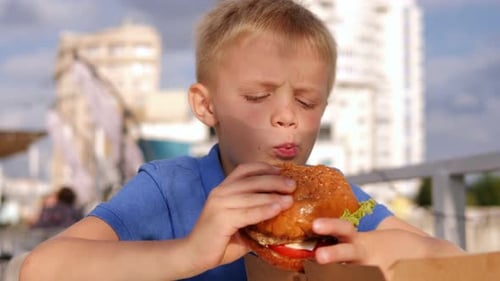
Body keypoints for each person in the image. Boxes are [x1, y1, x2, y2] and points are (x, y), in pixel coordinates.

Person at [20, 0, 465, 280]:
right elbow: (41, 269)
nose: (288, 116)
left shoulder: (329, 196)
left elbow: (447, 257)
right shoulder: (169, 188)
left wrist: (361, 247)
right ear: (206, 106)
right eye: (257, 97)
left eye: (308, 102)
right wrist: (189, 253)